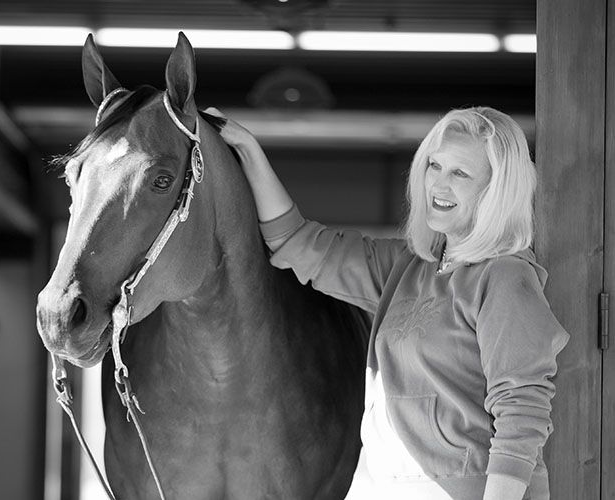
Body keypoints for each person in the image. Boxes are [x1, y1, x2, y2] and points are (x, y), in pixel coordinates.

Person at [203, 106, 569, 500]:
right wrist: (249, 150)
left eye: (460, 173)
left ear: (496, 190)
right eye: (434, 165)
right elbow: (298, 244)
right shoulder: (408, 266)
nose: (439, 184)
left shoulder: (505, 276)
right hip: (379, 485)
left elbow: (521, 405)